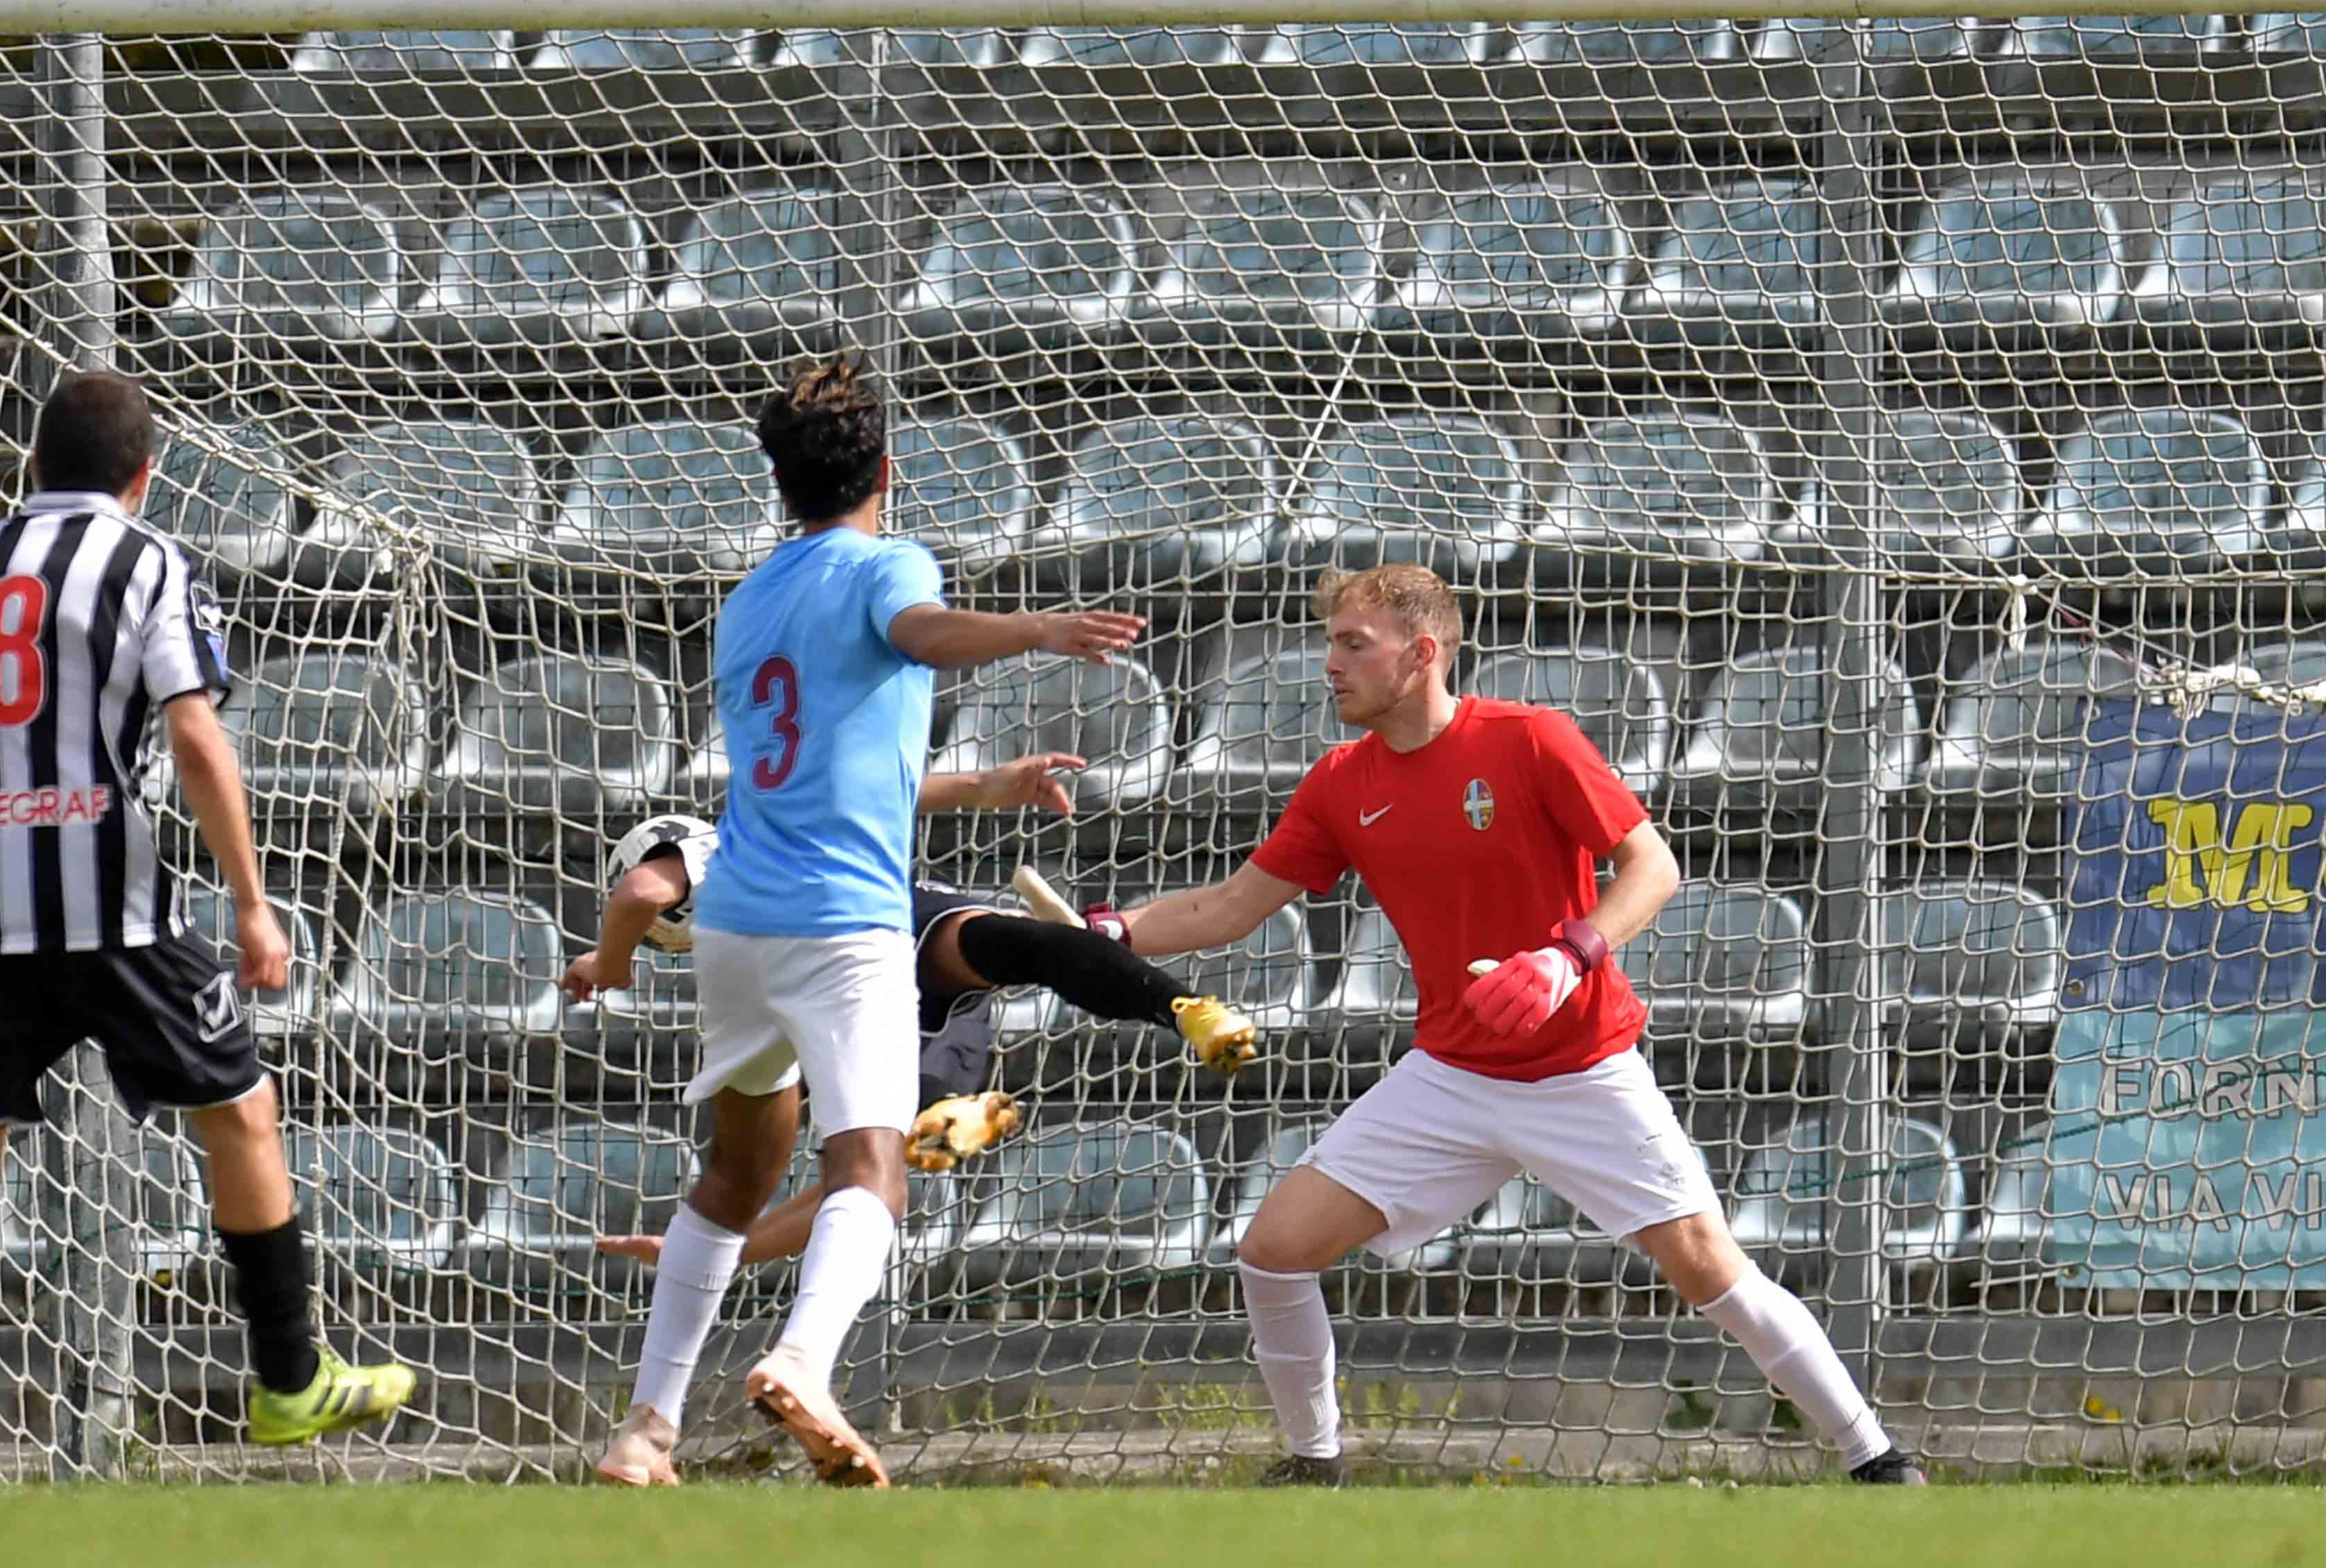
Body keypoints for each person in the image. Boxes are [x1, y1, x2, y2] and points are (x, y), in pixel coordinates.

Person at [1105, 562, 1923, 1488]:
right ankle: (1314, 1465)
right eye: (1330, 642)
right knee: (1272, 1252)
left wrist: (1566, 956)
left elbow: (1653, 868)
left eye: (1352, 644)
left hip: (1583, 1070)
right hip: (1452, 1077)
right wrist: (1106, 932)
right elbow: (1225, 909)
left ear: (1421, 654)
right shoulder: (1339, 781)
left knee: (1705, 1267)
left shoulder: (1531, 739)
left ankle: (1877, 1459)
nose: (1329, 663)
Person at [0, 369, 413, 1494]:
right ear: (142, 477)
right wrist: (251, 899)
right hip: (110, 908)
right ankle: (288, 1376)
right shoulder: (147, 562)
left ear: (30, 467)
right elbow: (195, 737)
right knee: (240, 1109)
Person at [582, 355, 1145, 1491]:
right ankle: (801, 1360)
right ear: (887, 471)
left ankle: (644, 1431)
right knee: (873, 1166)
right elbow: (923, 629)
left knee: (734, 1178)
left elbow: (824, 771)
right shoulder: (891, 565)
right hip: (844, 922)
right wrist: (1036, 627)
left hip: (738, 921)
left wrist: (979, 786)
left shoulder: (750, 602)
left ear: (778, 482)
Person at [568, 774, 1261, 1274]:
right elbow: (890, 788)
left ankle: (965, 1101)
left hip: (867, 955)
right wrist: (725, 1250)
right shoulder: (767, 887)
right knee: (888, 1145)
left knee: (881, 1138)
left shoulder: (726, 852)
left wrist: (608, 962)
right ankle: (1177, 1009)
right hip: (900, 976)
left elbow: (641, 892)